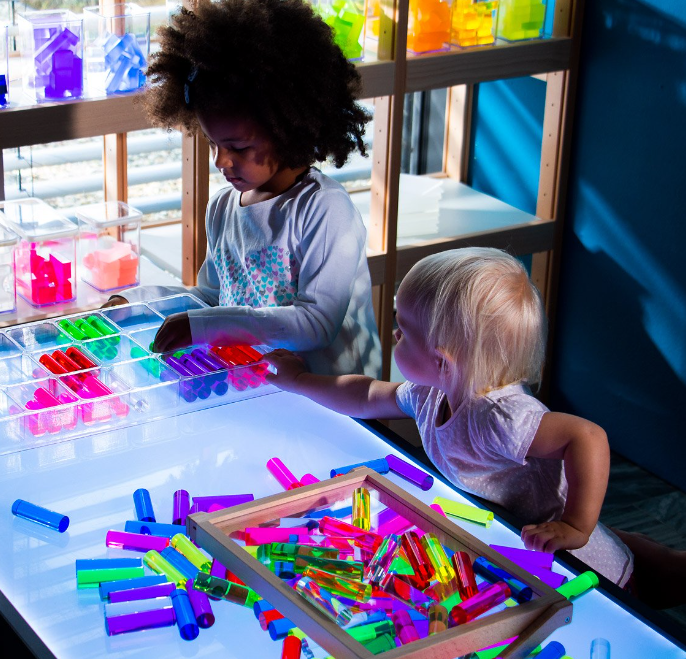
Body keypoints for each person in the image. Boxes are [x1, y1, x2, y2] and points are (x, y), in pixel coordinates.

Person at [264, 247, 686, 604]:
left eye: (403, 329)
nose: (393, 334)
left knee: (648, 578)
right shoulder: (431, 392)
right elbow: (366, 395)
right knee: (639, 551)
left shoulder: (499, 418)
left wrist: (577, 524)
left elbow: (588, 436)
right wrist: (300, 381)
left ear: (442, 360)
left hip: (580, 559)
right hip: (532, 532)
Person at [102, 0, 382, 377]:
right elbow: (212, 299)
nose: (220, 161)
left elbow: (316, 323)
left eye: (238, 147)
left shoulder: (325, 210)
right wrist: (134, 303)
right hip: (262, 392)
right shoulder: (222, 209)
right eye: (213, 143)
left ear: (288, 127)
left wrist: (205, 325)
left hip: (336, 404)